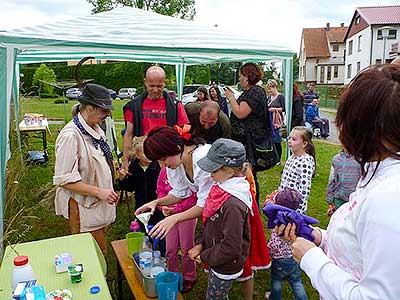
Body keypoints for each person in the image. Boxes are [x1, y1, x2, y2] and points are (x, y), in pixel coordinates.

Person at [280, 64, 400, 299]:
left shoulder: (388, 198)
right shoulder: (378, 173)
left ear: (357, 125)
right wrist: (318, 237)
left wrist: (312, 259)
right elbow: (362, 247)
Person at [136, 126, 270, 300]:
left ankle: (246, 294)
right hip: (217, 211)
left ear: (176, 148)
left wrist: (174, 218)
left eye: (163, 159)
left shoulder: (203, 159)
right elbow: (181, 191)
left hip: (231, 208)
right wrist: (157, 202)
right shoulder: (176, 163)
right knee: (224, 250)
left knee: (239, 252)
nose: (162, 165)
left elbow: (205, 204)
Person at [53, 83, 118, 254]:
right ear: (89, 107)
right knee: (90, 253)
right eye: (104, 110)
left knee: (99, 247)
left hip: (95, 203)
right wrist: (99, 191)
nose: (108, 114)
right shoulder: (70, 136)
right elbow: (64, 180)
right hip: (81, 205)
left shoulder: (94, 128)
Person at [188, 138, 252, 300]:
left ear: (229, 170)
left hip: (226, 264)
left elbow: (231, 247)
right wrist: (201, 244)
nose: (210, 175)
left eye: (213, 170)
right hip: (216, 256)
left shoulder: (232, 204)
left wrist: (204, 256)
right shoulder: (221, 188)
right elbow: (210, 220)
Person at [120, 65, 188, 179]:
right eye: (151, 86)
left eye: (159, 86)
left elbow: (185, 130)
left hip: (166, 157)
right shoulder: (134, 106)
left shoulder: (176, 105)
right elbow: (128, 134)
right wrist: (125, 160)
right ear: (145, 82)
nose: (155, 90)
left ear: (164, 83)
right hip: (143, 157)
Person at [225, 62, 272, 204]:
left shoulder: (256, 92)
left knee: (249, 174)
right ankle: (247, 204)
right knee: (245, 173)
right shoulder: (251, 91)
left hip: (250, 142)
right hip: (244, 140)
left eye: (241, 76)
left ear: (248, 76)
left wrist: (231, 97)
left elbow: (240, 113)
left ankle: (251, 205)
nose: (239, 79)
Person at [118, 136, 166, 254]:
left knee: (159, 230)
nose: (149, 155)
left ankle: (162, 253)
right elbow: (129, 187)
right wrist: (122, 179)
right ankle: (146, 251)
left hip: (157, 206)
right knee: (143, 230)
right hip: (141, 205)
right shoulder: (134, 167)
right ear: (137, 155)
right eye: (145, 153)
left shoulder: (158, 166)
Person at [157, 167, 198, 292]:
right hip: (169, 216)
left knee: (187, 248)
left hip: (187, 215)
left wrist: (176, 209)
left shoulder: (187, 171)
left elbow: (194, 196)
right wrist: (162, 206)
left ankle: (189, 277)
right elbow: (160, 191)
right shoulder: (164, 171)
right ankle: (172, 275)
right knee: (170, 248)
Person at [264, 188, 308, 300]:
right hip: (295, 257)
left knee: (276, 280)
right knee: (297, 281)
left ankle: (275, 297)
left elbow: (275, 244)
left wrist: (267, 251)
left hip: (280, 260)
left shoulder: (278, 225)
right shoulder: (298, 220)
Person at [279, 126, 315, 214]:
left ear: (304, 144)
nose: (289, 141)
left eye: (294, 139)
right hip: (284, 203)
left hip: (294, 209)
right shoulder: (292, 157)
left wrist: (297, 212)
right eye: (289, 138)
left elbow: (304, 190)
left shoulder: (305, 161)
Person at [326, 149, 362, 215]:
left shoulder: (360, 160)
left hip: (355, 200)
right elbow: (332, 179)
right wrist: (330, 200)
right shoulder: (336, 159)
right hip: (339, 199)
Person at [267, 79, 285, 162]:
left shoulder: (280, 96)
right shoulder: (269, 97)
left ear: (274, 87)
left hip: (277, 121)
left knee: (277, 141)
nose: (269, 90)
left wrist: (275, 109)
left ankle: (278, 159)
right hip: (269, 122)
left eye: (270, 88)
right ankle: (272, 157)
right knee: (271, 141)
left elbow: (284, 109)